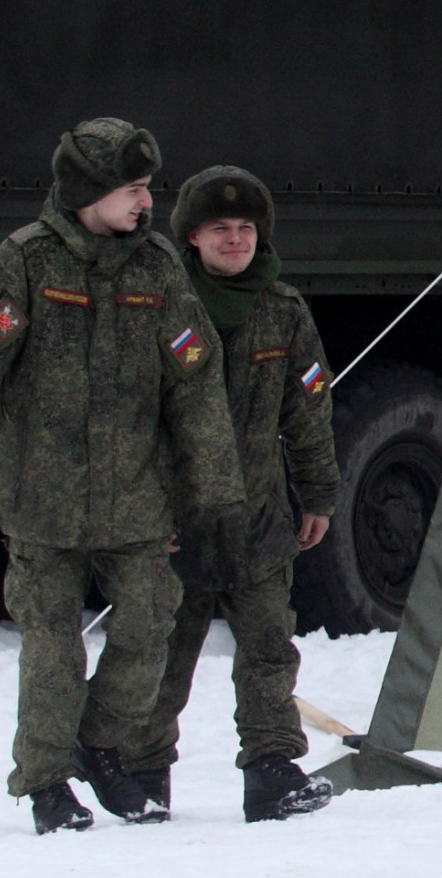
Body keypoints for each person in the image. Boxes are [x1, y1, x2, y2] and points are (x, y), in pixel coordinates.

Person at [0, 118, 244, 833]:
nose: (145, 203)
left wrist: (215, 485)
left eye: (147, 188)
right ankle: (46, 782)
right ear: (89, 193)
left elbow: (194, 379)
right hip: (44, 497)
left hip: (134, 493)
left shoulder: (156, 268)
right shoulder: (28, 263)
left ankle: (98, 742)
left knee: (150, 618)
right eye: (132, 189)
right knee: (52, 641)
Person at [119, 166, 340, 823]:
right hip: (175, 518)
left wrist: (319, 494)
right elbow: (128, 418)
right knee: (162, 651)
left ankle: (272, 768)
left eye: (246, 228)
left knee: (270, 646)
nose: (236, 239)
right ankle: (141, 773)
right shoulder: (157, 308)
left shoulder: (284, 311)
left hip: (259, 516)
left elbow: (309, 411)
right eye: (221, 228)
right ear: (192, 236)